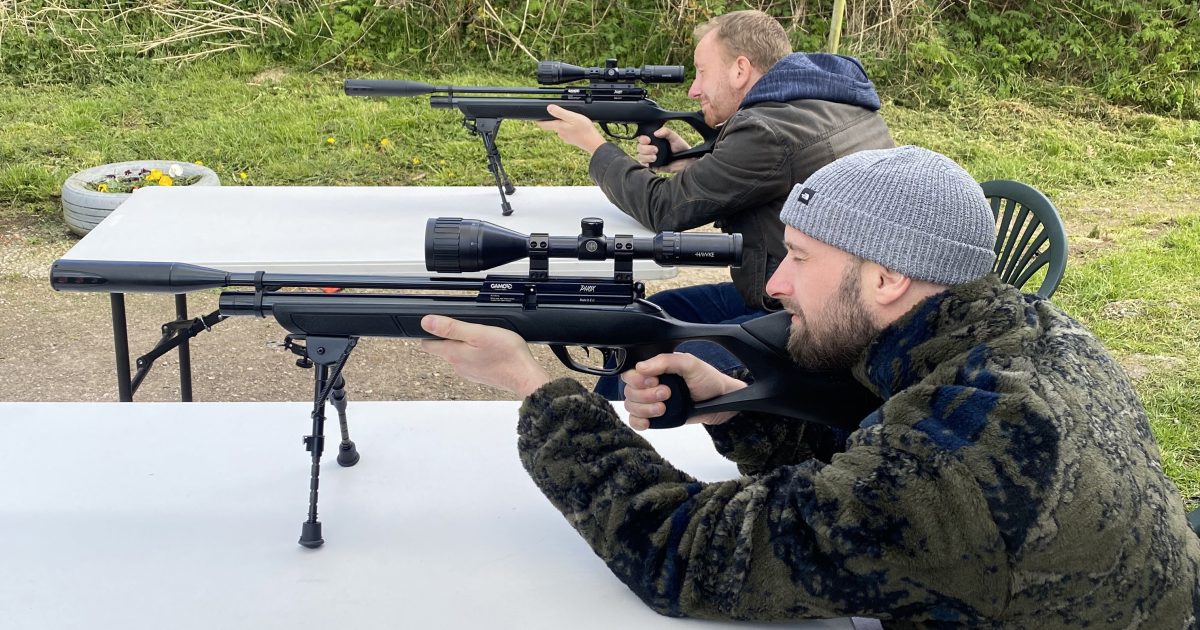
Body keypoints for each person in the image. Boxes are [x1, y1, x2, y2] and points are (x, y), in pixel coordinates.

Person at [419, 146, 1200, 626]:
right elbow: (861, 455)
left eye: (800, 258)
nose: (778, 283)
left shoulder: (959, 461)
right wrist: (730, 400)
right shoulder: (1026, 338)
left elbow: (686, 555)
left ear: (888, 278)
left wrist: (533, 388)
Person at [536, 10, 894, 397]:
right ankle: (611, 416)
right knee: (646, 319)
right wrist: (695, 162)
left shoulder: (766, 130)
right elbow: (775, 175)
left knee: (663, 367)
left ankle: (610, 431)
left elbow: (663, 210)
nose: (693, 89)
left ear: (740, 70)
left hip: (810, 317)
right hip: (841, 299)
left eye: (702, 72)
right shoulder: (829, 99)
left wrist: (594, 144)